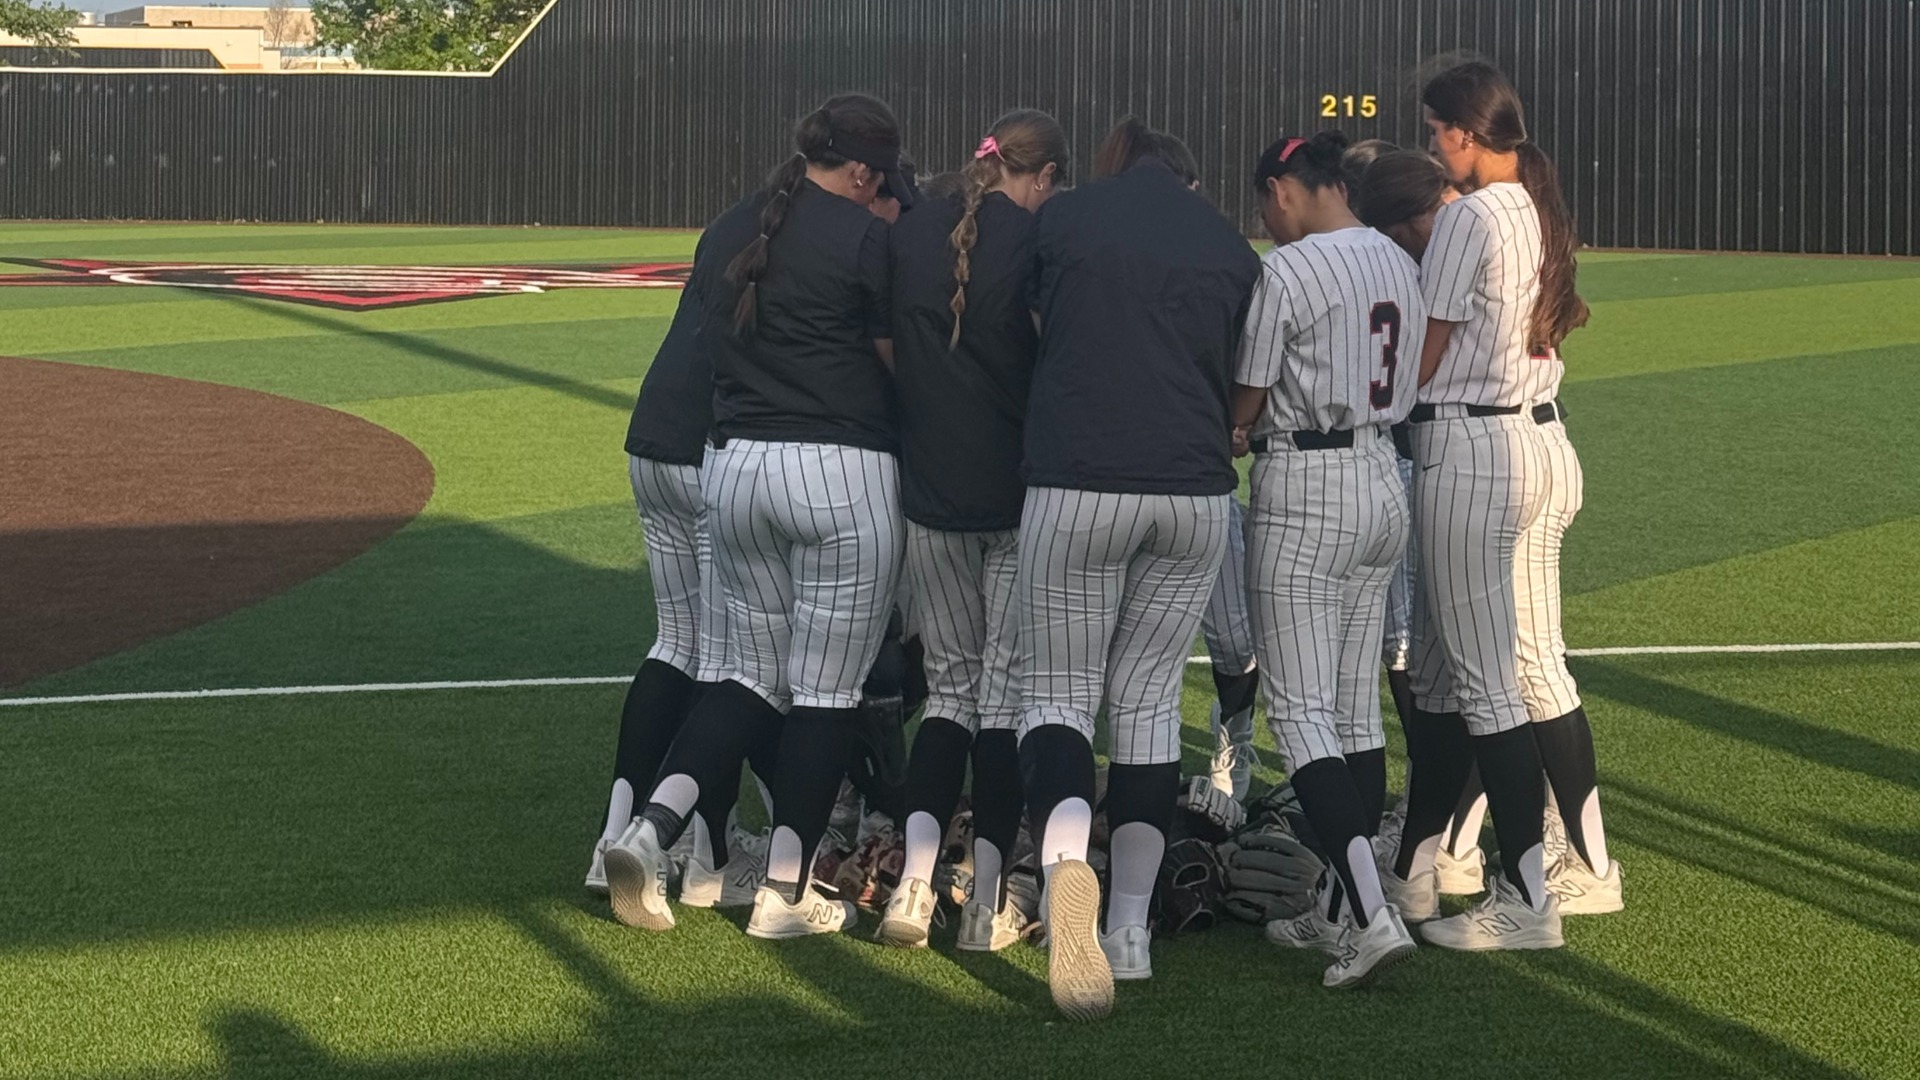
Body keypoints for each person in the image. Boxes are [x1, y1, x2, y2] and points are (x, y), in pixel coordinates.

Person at [603, 92, 911, 941]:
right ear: (862, 170)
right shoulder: (868, 239)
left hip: (735, 470)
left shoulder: (732, 229)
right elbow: (899, 369)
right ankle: (783, 893)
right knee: (824, 693)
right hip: (840, 473)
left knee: (744, 678)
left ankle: (645, 831)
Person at [1018, 117, 1259, 1018]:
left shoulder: (1069, 218)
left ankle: (1067, 867)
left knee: (1058, 698)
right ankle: (1128, 929)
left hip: (1078, 480)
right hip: (1195, 491)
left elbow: (1030, 328)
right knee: (1150, 702)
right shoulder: (1229, 244)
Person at [1381, 61, 1619, 953]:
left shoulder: (1472, 213)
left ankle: (1527, 898)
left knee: (1485, 682)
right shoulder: (1538, 203)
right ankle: (1443, 864)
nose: (1432, 144)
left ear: (1464, 133)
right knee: (1501, 669)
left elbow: (1427, 355)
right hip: (1541, 439)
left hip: (1477, 449)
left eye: (1436, 128)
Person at [1229, 130, 1425, 988]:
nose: (1266, 221)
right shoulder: (1394, 255)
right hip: (1383, 472)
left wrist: (1231, 419)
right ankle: (1348, 908)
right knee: (1353, 711)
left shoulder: (1290, 269)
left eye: (1265, 203)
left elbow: (1248, 394)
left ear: (1286, 188)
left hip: (1306, 483)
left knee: (1301, 713)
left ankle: (1370, 916)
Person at [875, 109, 1068, 952]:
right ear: (1045, 176)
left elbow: (883, 348)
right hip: (1014, 496)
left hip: (931, 494)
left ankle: (913, 890)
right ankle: (989, 902)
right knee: (1004, 699)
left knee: (948, 695)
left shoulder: (914, 230)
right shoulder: (1030, 241)